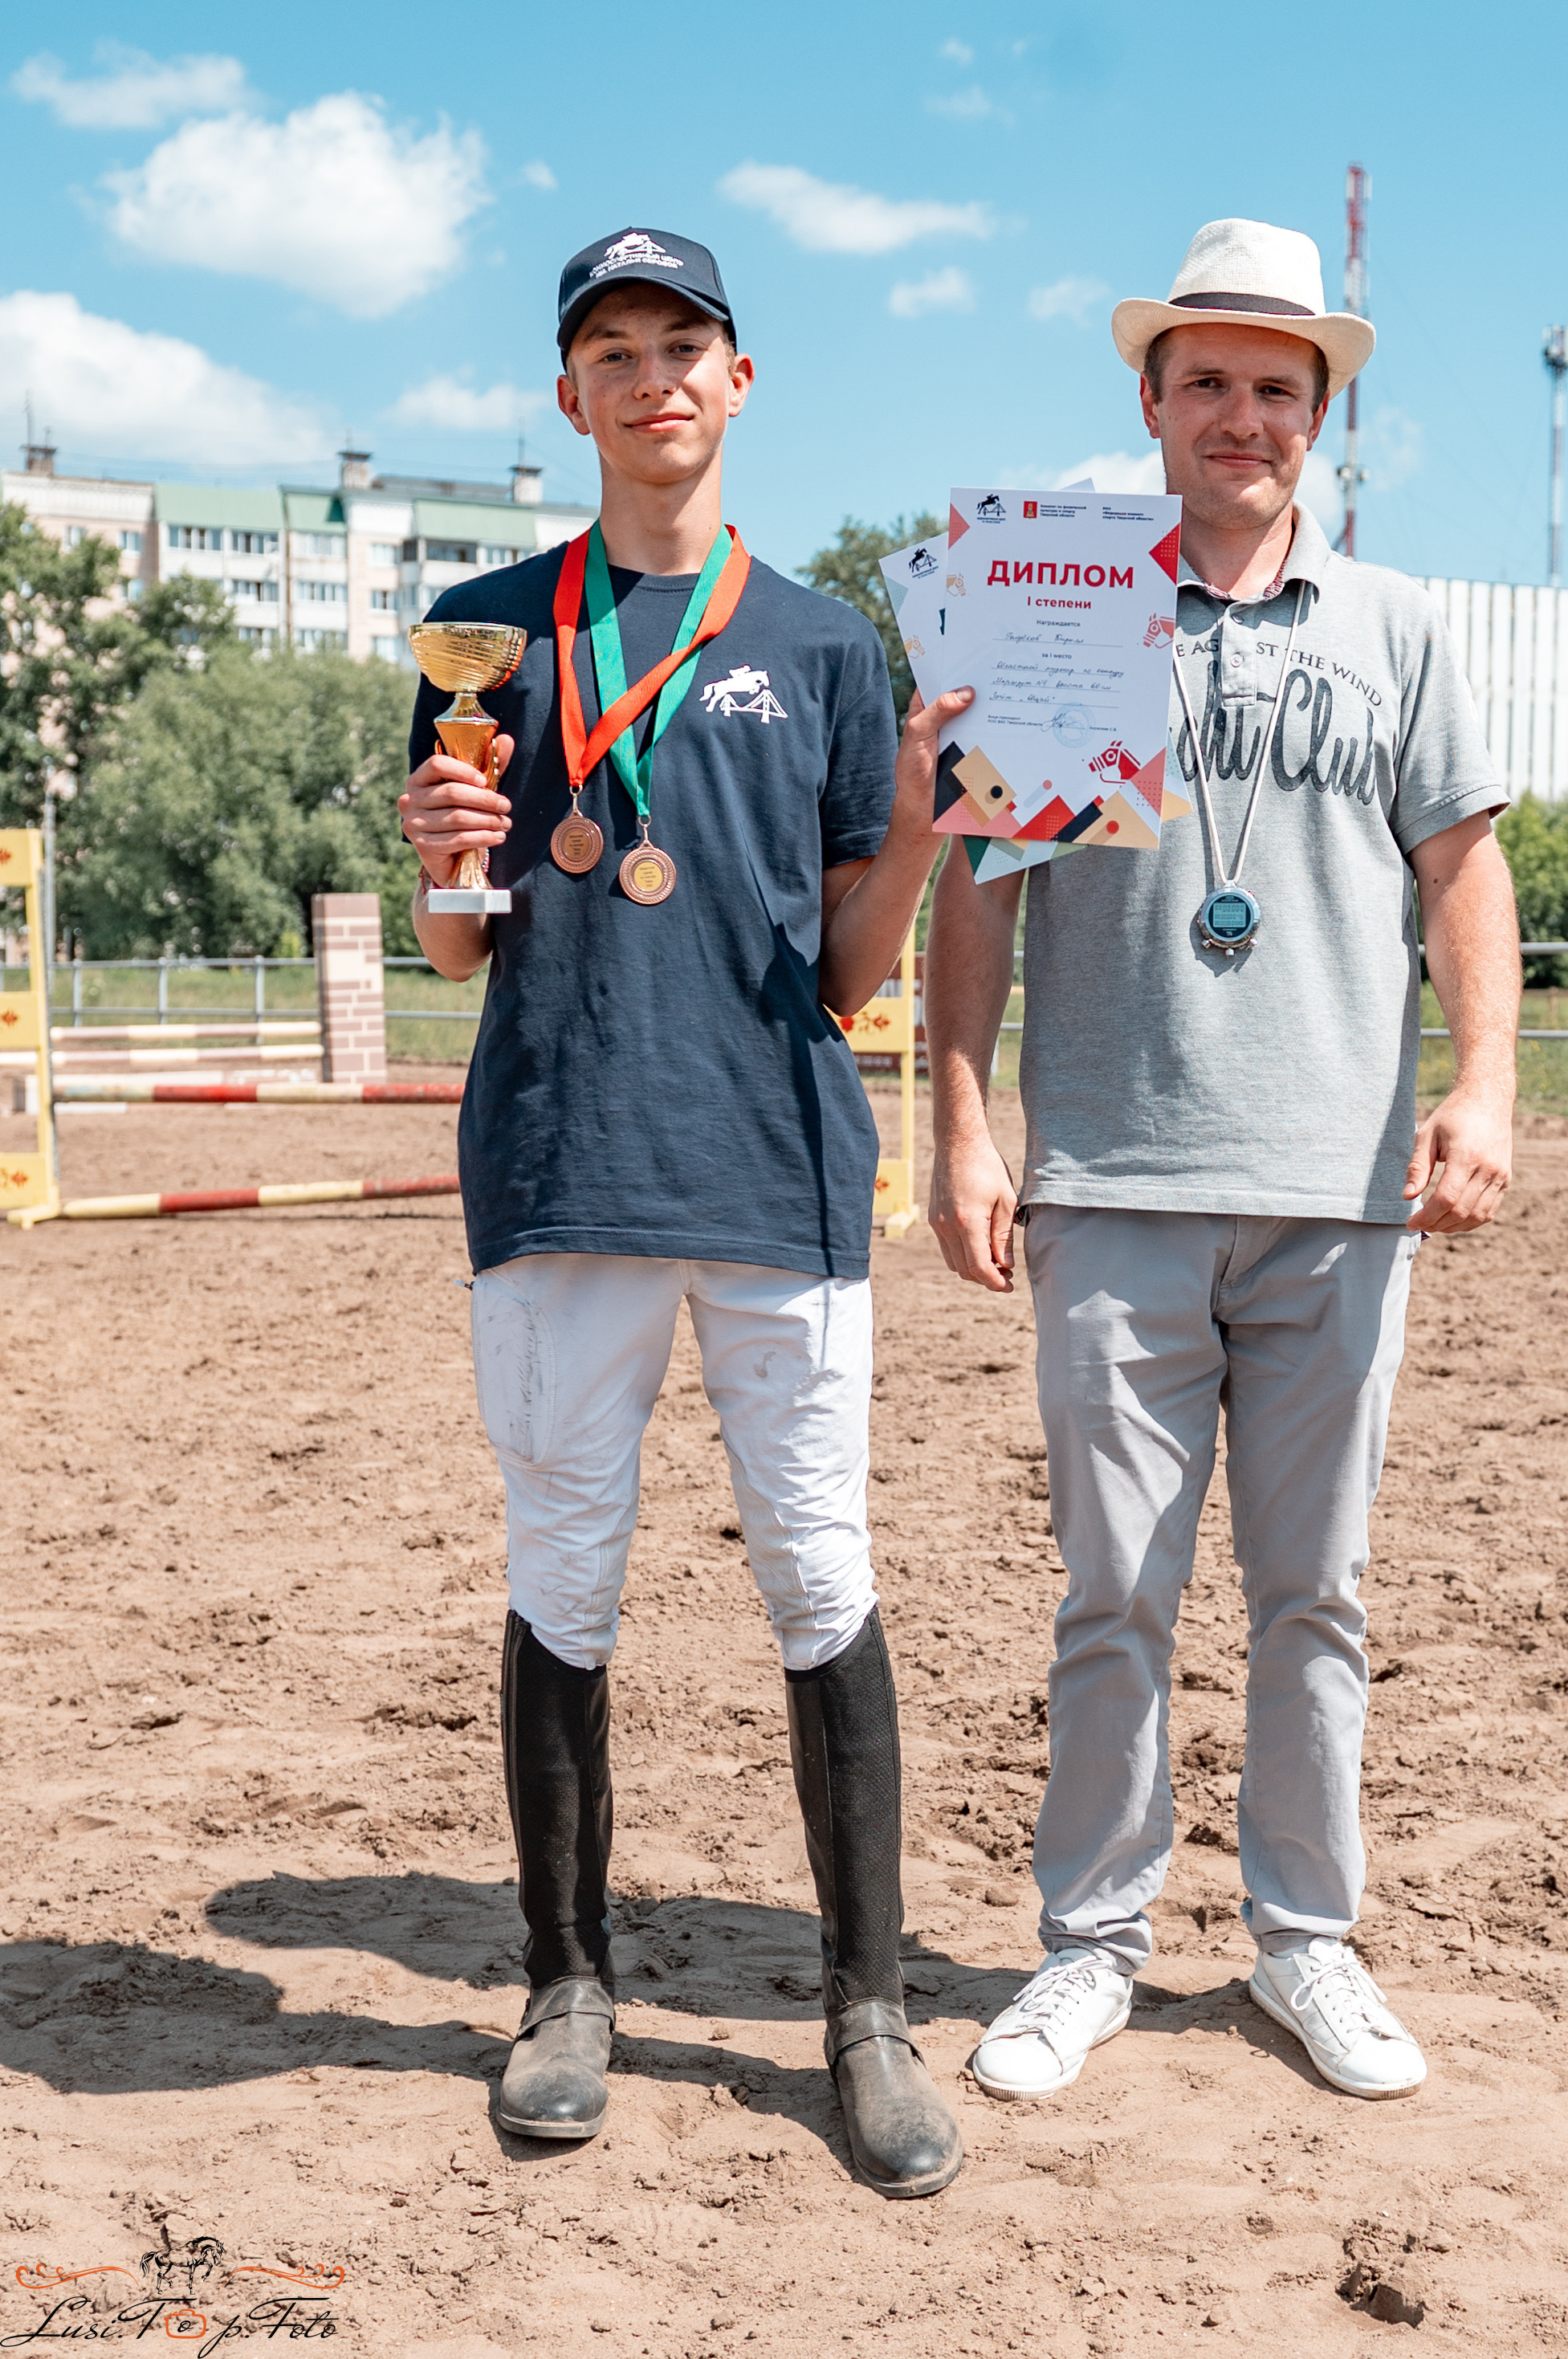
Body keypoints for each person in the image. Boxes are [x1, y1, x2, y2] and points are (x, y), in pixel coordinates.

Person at [923, 217, 1521, 2107]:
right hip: (1110, 1172)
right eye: (1209, 382)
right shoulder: (1057, 604)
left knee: (1313, 1593)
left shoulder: (1403, 626)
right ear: (1153, 401)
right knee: (1112, 1596)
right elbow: (979, 881)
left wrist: (1488, 1084)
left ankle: (1302, 1944)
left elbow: (1463, 871)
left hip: (1340, 1189)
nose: (1242, 414)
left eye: (1279, 387)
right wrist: (955, 1118)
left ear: (1320, 411)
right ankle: (1091, 1949)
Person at [397, 225, 969, 2196]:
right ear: (571, 400)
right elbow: (457, 952)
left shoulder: (817, 643)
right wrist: (444, 859)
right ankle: (566, 1988)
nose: (651, 378)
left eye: (685, 345)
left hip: (775, 1169)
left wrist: (908, 815)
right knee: (567, 1572)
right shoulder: (479, 630)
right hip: (560, 1163)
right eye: (611, 352)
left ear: (741, 381)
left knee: (821, 1574)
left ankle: (870, 2014)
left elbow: (853, 978)